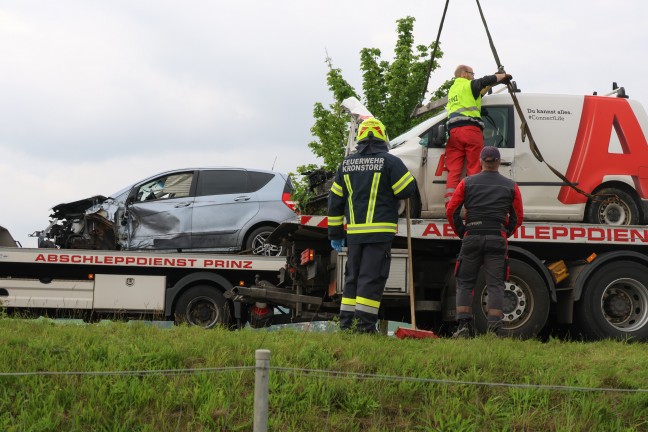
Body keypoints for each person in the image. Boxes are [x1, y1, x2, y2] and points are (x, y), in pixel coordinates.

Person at [328, 117, 416, 334]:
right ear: (381, 136)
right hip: (380, 232)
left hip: (355, 235)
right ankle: (365, 328)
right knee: (371, 278)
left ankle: (347, 325)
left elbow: (335, 202)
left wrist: (335, 233)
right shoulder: (389, 161)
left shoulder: (345, 164)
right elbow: (407, 189)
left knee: (353, 278)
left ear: (359, 138)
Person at [445, 146, 523, 337]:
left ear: (481, 161)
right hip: (497, 238)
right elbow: (518, 216)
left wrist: (462, 232)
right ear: (498, 162)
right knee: (495, 284)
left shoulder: (467, 182)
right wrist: (504, 232)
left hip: (472, 236)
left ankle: (463, 327)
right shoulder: (510, 186)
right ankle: (494, 330)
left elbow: (451, 210)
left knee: (464, 282)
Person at [444, 65, 512, 205]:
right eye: (472, 73)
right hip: (470, 130)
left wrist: (495, 80)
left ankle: (450, 204)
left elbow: (480, 92)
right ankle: (474, 202)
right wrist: (502, 76)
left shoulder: (453, 90)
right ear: (464, 74)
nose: (473, 76)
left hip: (454, 133)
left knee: (454, 169)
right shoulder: (468, 85)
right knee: (474, 167)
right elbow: (484, 81)